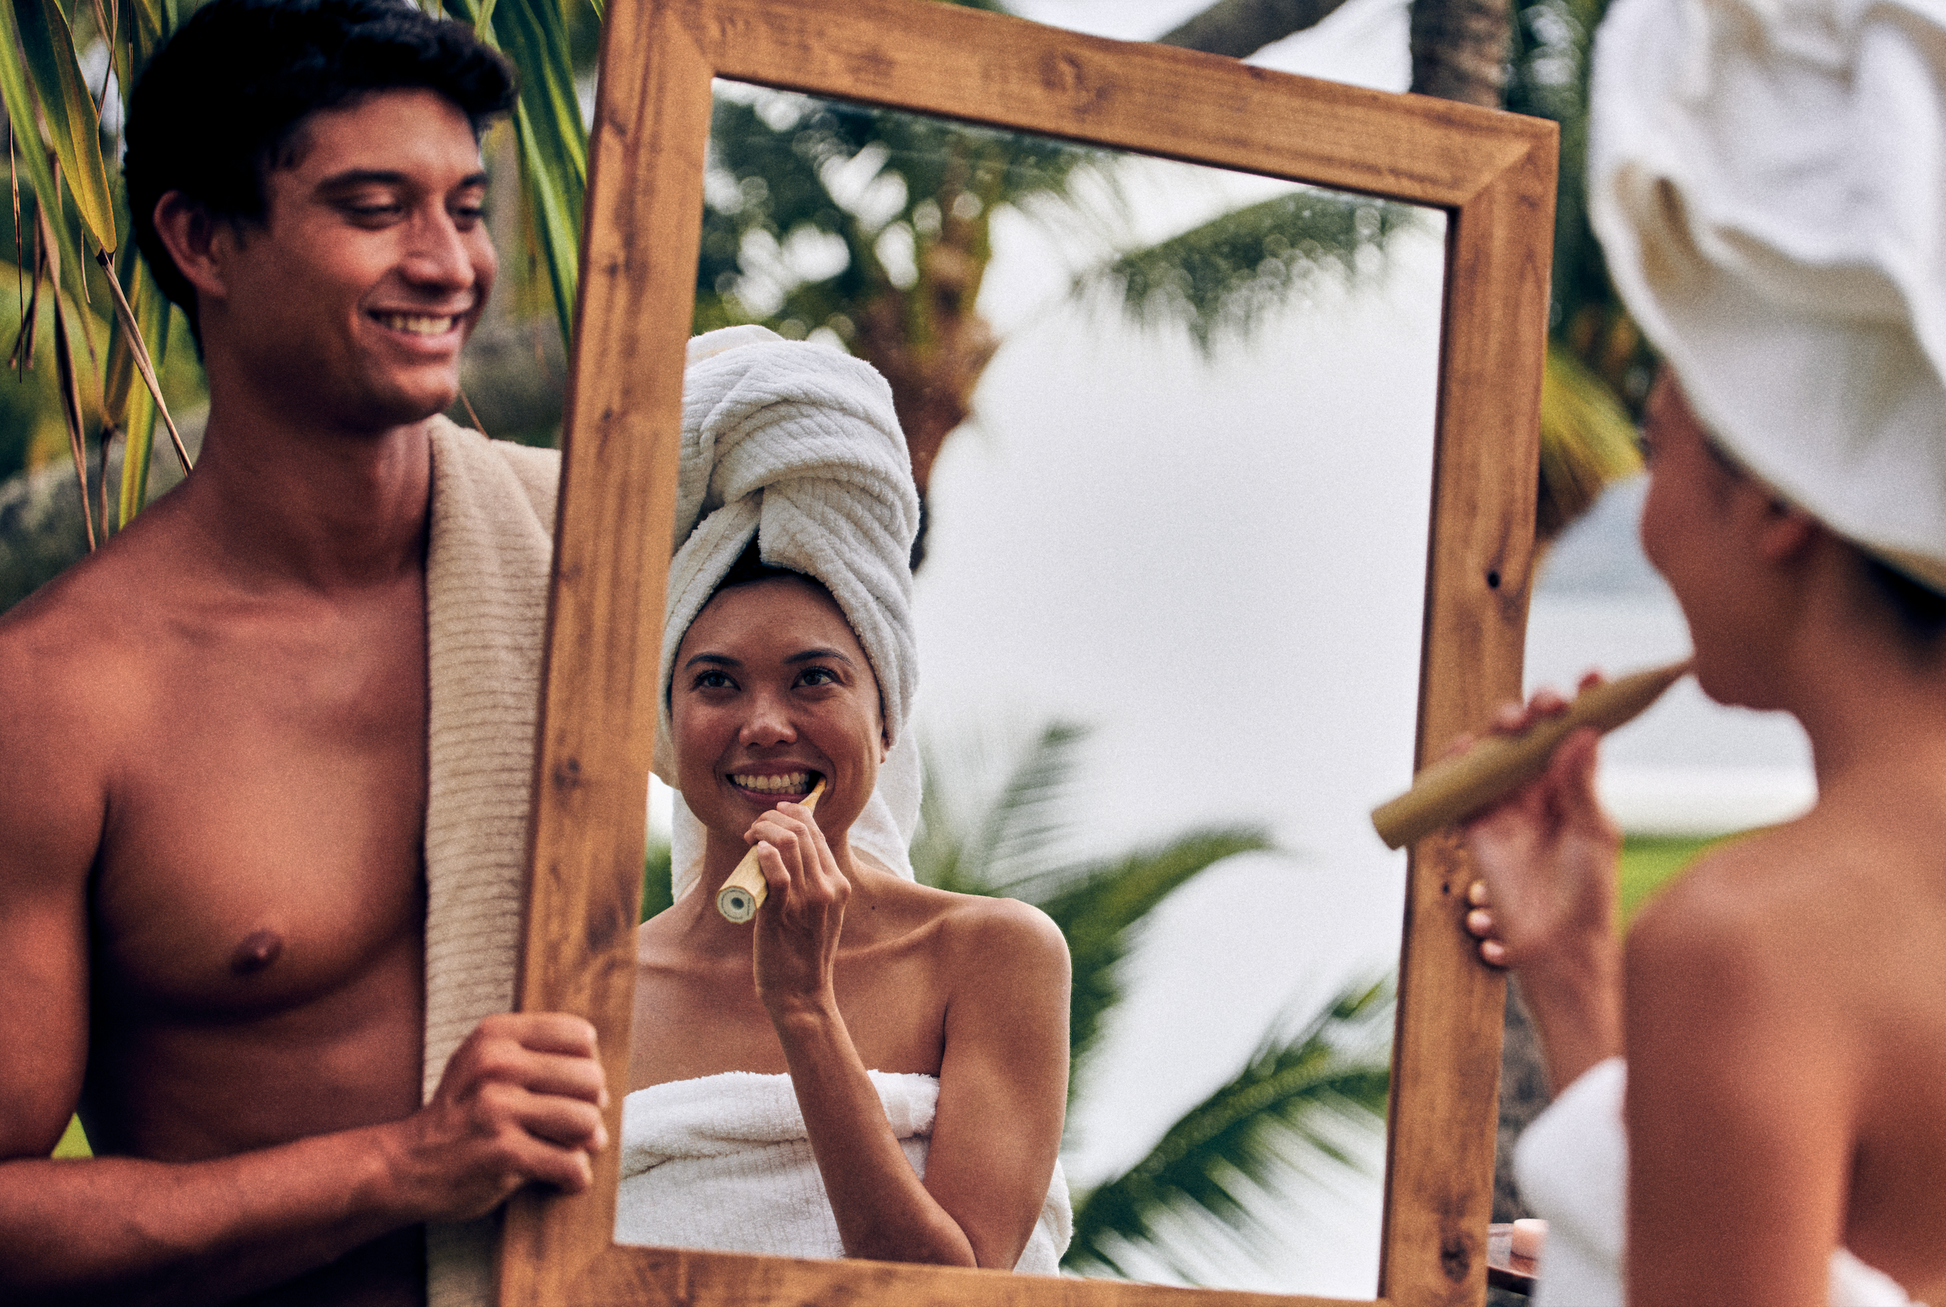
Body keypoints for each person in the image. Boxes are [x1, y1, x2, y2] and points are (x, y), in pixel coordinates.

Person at [0, 3, 617, 1303]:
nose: (448, 262)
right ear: (202, 238)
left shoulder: (588, 567)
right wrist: (404, 1163)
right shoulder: (63, 696)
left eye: (464, 206)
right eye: (374, 206)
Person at [1458, 0, 1946, 1302]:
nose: (1647, 518)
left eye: (1658, 442)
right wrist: (1572, 973)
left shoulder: (1753, 947)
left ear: (1779, 497)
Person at [613, 327, 1073, 1270]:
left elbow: (948, 1293)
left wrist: (808, 1010)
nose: (765, 724)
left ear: (888, 719)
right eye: (715, 682)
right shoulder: (592, 992)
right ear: (666, 723)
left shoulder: (990, 958)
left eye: (814, 679)